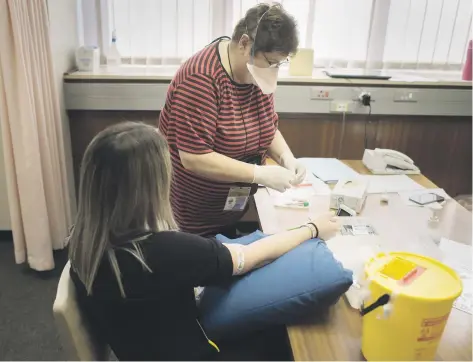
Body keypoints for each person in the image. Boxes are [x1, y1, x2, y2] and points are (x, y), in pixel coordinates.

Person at [68, 122, 339, 361]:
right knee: (293, 339)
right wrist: (312, 229)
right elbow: (251, 256)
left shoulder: (83, 243)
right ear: (151, 186)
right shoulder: (165, 252)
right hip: (197, 353)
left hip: (142, 348)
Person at [159, 3, 307, 236]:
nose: (273, 70)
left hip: (231, 207)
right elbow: (194, 158)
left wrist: (286, 157)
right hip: (193, 216)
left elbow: (267, 126)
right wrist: (259, 174)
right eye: (270, 62)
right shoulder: (201, 79)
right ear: (245, 44)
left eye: (280, 64)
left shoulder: (257, 74)